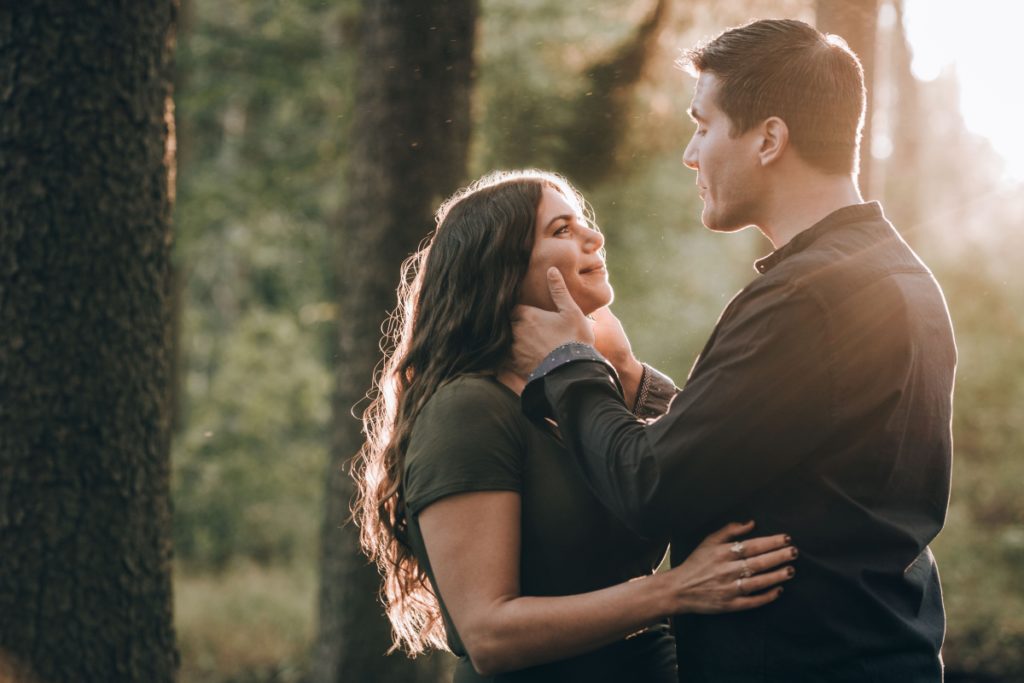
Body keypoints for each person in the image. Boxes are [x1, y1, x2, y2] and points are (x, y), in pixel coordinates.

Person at [511, 19, 956, 683]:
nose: (692, 154)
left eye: (704, 124)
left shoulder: (810, 297)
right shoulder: (899, 275)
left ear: (769, 138)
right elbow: (744, 442)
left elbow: (652, 486)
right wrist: (630, 375)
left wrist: (572, 366)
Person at [352, 169, 797, 682]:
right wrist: (675, 591)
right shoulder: (469, 410)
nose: (595, 237)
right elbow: (488, 634)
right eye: (562, 230)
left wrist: (627, 370)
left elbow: (688, 471)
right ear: (502, 268)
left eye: (584, 223)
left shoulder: (575, 396)